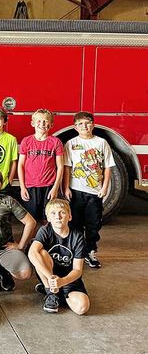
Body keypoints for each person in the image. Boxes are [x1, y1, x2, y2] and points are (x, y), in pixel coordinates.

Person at [63, 111, 115, 269]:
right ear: (75, 127)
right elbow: (67, 167)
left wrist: (105, 187)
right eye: (80, 124)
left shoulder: (101, 143)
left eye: (87, 123)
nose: (84, 126)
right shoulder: (71, 143)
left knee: (93, 224)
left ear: (93, 124)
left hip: (95, 193)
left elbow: (107, 167)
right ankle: (76, 252)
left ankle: (91, 251)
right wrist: (65, 188)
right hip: (76, 191)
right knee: (75, 224)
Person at [28, 199, 90, 315]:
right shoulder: (45, 231)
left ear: (69, 217)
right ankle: (51, 292)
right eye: (53, 213)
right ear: (48, 218)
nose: (58, 216)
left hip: (68, 278)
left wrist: (61, 282)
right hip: (49, 273)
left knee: (82, 308)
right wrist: (51, 279)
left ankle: (55, 292)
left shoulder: (78, 237)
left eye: (62, 212)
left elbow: (77, 270)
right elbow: (32, 253)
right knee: (40, 252)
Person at [18, 109, 64, 223]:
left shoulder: (56, 142)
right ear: (32, 123)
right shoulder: (26, 141)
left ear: (51, 124)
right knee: (31, 220)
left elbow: (60, 167)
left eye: (45, 121)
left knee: (48, 218)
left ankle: (47, 240)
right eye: (39, 121)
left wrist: (55, 188)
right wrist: (22, 187)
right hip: (30, 187)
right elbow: (21, 165)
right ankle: (32, 240)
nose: (42, 124)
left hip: (49, 187)